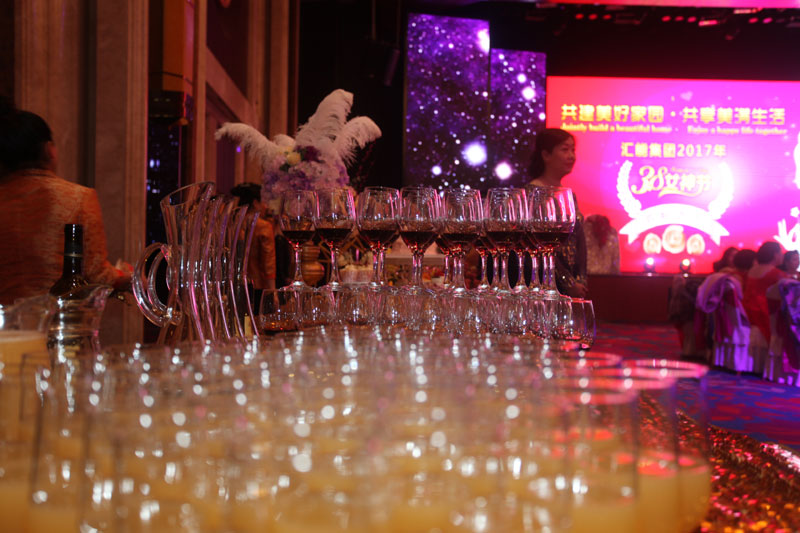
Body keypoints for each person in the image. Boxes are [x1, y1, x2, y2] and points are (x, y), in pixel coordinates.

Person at [0, 106, 130, 305]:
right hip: (56, 318)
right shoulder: (78, 197)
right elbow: (97, 274)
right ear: (48, 149)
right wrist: (128, 277)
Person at [527, 128, 587, 298]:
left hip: (572, 285)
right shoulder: (533, 193)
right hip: (543, 284)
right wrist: (567, 282)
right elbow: (538, 244)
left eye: (573, 150)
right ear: (546, 155)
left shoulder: (569, 194)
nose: (571, 156)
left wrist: (580, 279)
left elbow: (580, 241)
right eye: (564, 149)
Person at [229, 183, 277, 302]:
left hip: (233, 285)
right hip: (258, 285)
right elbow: (268, 261)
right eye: (263, 202)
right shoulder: (263, 226)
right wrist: (273, 291)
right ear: (255, 202)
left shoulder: (231, 224)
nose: (265, 206)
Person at [743, 241, 786, 346]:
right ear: (775, 254)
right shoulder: (777, 274)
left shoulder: (752, 270)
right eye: (781, 252)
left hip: (749, 315)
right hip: (766, 316)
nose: (782, 255)